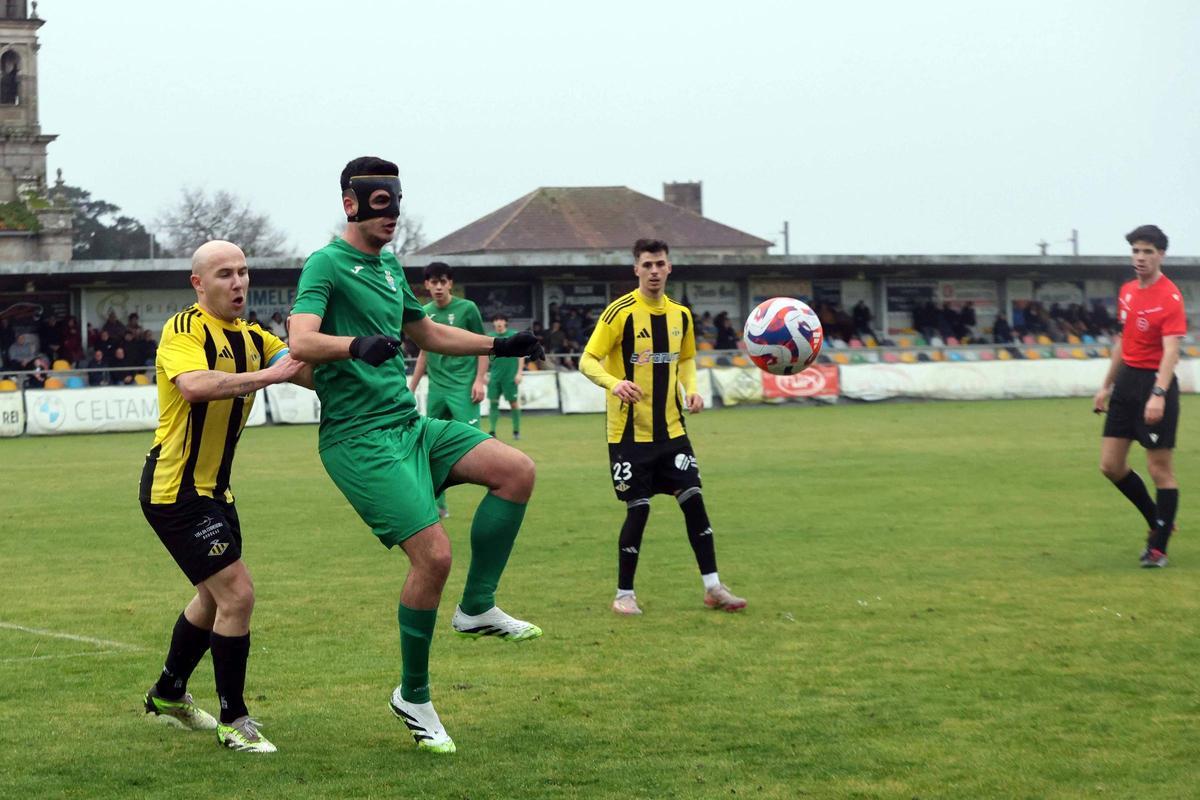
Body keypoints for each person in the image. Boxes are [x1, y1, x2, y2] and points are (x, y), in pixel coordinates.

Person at [288, 156, 546, 755]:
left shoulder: (390, 267)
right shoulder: (325, 263)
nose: (394, 217)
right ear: (351, 203)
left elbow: (425, 332)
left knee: (516, 470)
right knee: (433, 556)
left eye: (397, 205)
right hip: (358, 439)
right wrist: (354, 345)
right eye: (382, 205)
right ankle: (414, 696)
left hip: (410, 425)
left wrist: (499, 345)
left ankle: (477, 608)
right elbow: (300, 340)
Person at [139, 240, 308, 754]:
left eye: (243, 272)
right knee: (238, 595)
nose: (238, 283)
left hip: (216, 492)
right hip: (176, 490)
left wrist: (352, 350)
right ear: (198, 283)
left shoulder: (254, 337)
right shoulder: (184, 330)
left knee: (214, 598)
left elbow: (303, 369)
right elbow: (195, 385)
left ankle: (168, 692)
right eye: (224, 274)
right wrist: (272, 375)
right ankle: (234, 720)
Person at [579, 238, 746, 616]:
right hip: (629, 433)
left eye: (660, 264)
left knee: (694, 500)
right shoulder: (619, 312)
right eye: (647, 265)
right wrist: (614, 383)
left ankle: (713, 588)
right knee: (638, 509)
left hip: (672, 430)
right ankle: (624, 594)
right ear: (636, 269)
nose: (654, 271)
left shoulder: (681, 315)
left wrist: (693, 390)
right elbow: (587, 360)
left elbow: (686, 359)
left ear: (669, 267)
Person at [1093, 225, 1185, 568]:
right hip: (1127, 382)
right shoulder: (1128, 291)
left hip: (1154, 384)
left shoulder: (1170, 296)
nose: (1140, 257)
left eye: (1147, 251)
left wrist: (1159, 393)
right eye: (1135, 250)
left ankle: (1158, 548)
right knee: (1110, 465)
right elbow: (1123, 340)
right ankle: (1158, 520)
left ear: (1161, 255)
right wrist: (1106, 385)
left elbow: (1171, 351)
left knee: (1159, 469)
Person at [407, 262, 487, 518]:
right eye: (434, 282)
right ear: (427, 285)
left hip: (463, 386)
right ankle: (439, 506)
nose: (439, 287)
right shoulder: (424, 312)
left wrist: (479, 380)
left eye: (443, 281)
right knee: (431, 447)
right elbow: (424, 352)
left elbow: (483, 346)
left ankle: (497, 486)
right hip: (437, 389)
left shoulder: (468, 309)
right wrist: (412, 387)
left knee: (475, 443)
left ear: (450, 283)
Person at [486, 313, 525, 440]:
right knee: (493, 403)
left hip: (510, 376)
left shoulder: (514, 335)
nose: (499, 322)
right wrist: (483, 374)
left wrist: (519, 372)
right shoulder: (489, 337)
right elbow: (483, 355)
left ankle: (516, 431)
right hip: (495, 376)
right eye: (496, 320)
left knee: (513, 403)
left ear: (505, 322)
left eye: (501, 319)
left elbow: (521, 354)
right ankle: (492, 431)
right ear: (493, 323)